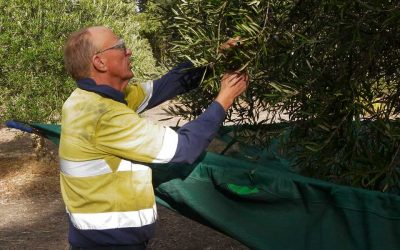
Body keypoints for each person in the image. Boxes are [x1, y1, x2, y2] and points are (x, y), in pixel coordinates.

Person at [60, 26, 249, 249]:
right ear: (100, 62)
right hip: (110, 242)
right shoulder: (104, 115)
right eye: (119, 47)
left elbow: (167, 85)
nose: (128, 51)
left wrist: (215, 55)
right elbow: (184, 148)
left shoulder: (87, 100)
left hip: (99, 238)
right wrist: (225, 99)